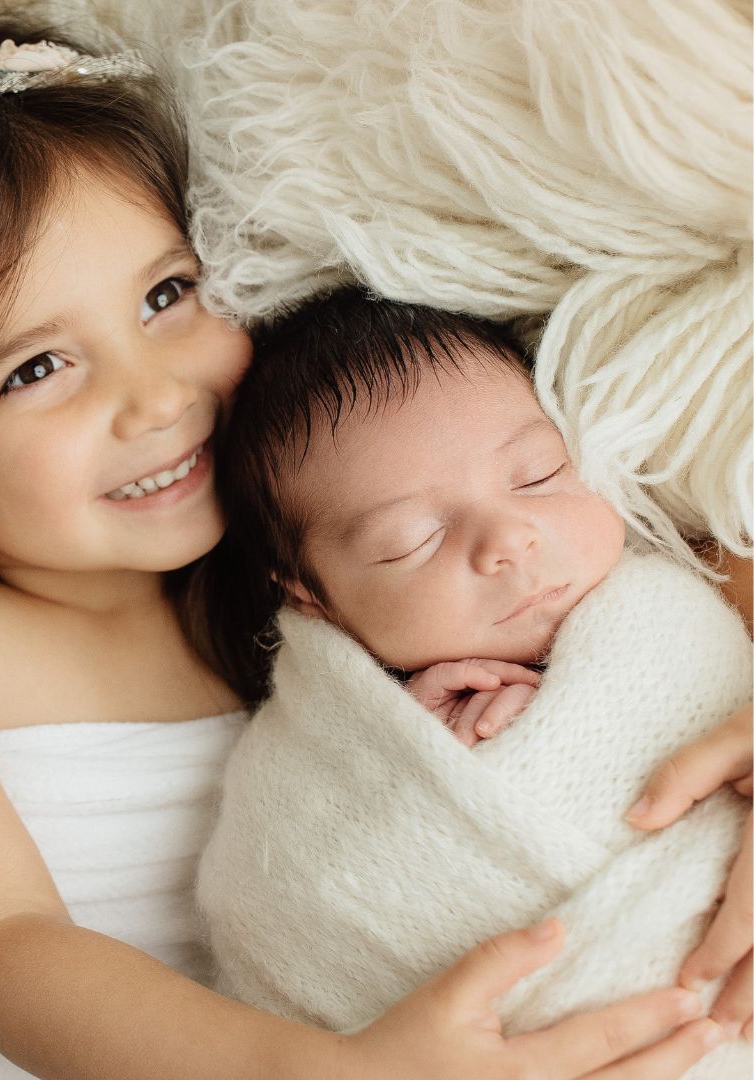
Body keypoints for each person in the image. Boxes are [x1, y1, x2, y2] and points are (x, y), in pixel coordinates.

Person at [0, 12, 734, 1080]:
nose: (157, 395)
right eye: (36, 368)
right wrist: (338, 1073)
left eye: (165, 295)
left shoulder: (312, 565)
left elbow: (643, 568)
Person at [196, 286, 753, 1072]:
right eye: (410, 541)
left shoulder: (689, 591)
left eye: (537, 475)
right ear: (309, 593)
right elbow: (286, 906)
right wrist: (402, 763)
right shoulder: (308, 761)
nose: (508, 540)